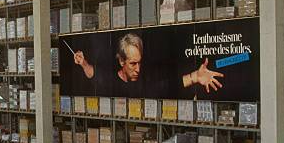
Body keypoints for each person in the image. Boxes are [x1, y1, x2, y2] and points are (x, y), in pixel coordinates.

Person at [73, 32, 224, 95]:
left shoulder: (146, 82)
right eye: (133, 64)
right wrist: (84, 63)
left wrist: (195, 76)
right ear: (121, 61)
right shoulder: (110, 80)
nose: (138, 69)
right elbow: (93, 74)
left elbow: (170, 84)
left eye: (139, 63)